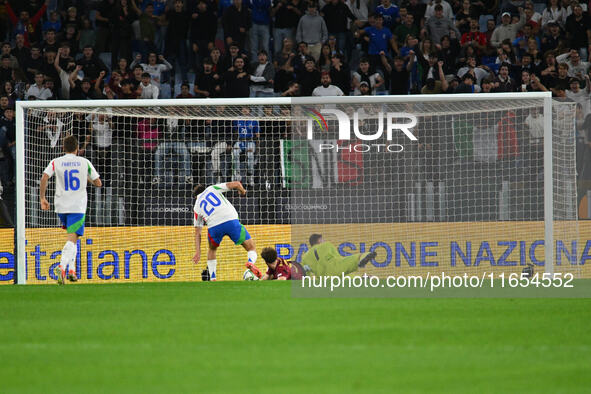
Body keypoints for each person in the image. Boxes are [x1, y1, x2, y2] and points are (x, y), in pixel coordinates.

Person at [39, 135, 102, 284]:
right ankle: (61, 267)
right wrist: (85, 177)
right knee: (71, 239)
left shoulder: (56, 162)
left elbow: (44, 178)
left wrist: (42, 198)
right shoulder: (84, 162)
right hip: (77, 206)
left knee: (74, 238)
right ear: (77, 149)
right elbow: (98, 183)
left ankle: (72, 271)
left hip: (61, 206)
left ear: (63, 148)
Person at [192, 181, 262, 280]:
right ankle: (250, 263)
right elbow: (237, 184)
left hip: (214, 226)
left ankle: (213, 278)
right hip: (230, 220)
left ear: (196, 197)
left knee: (212, 250)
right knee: (251, 247)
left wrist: (197, 252)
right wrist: (242, 191)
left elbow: (197, 233)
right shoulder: (212, 188)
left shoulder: (196, 207)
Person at [300, 234, 376, 276]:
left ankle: (360, 278)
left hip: (323, 279)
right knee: (355, 259)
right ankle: (363, 258)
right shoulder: (326, 245)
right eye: (323, 239)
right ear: (319, 240)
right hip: (334, 268)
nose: (324, 241)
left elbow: (305, 274)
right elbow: (339, 259)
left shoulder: (305, 257)